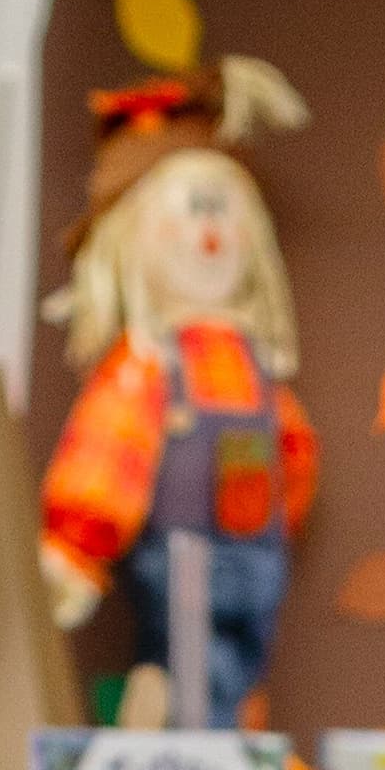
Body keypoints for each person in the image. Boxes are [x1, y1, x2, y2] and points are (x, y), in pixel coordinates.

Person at [37, 60, 318, 728]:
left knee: (236, 673)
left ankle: (212, 748)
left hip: (257, 553)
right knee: (190, 672)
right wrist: (76, 546)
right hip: (181, 555)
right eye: (190, 214)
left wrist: (286, 508)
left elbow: (292, 452)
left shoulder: (255, 365)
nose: (210, 234)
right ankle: (168, 732)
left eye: (222, 214)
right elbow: (110, 452)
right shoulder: (151, 364)